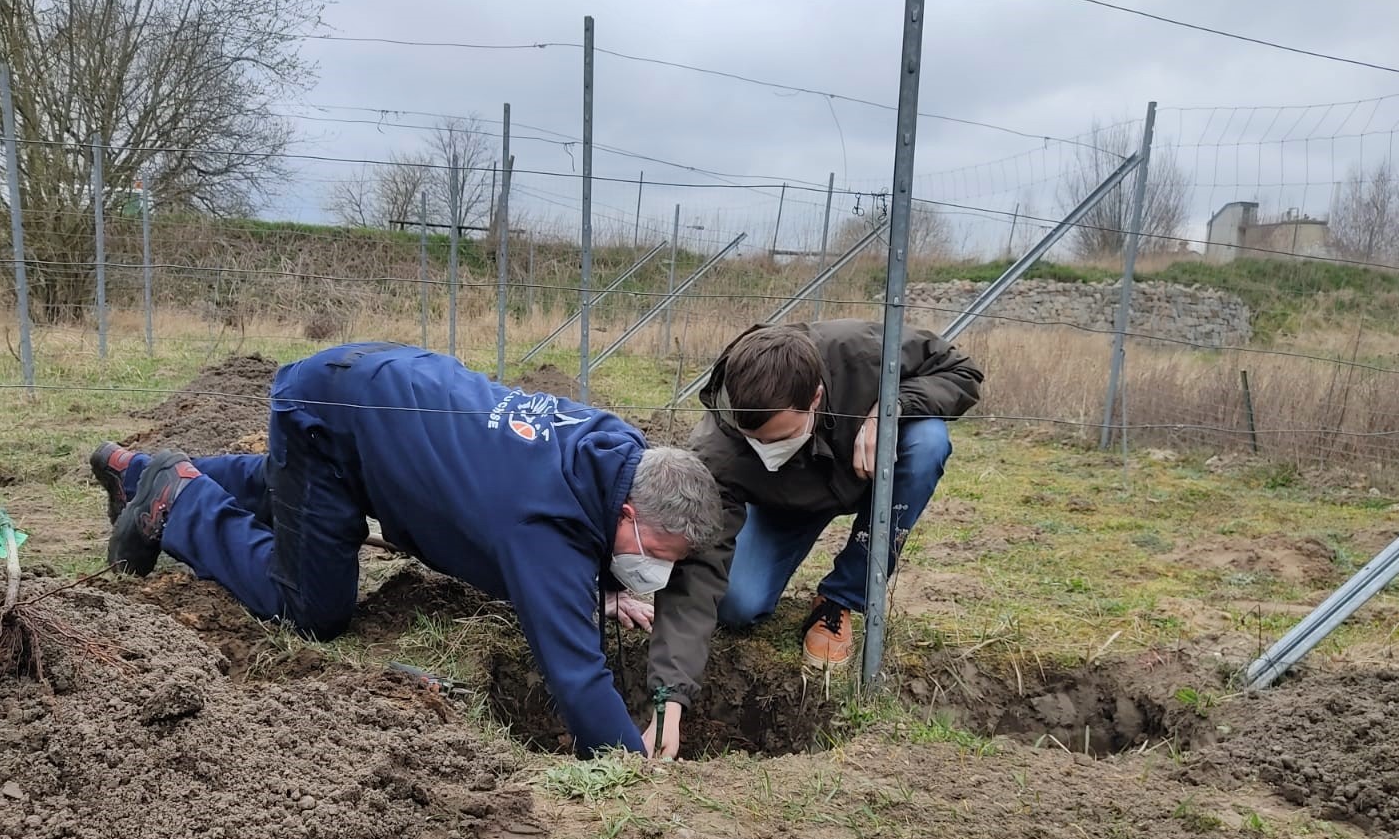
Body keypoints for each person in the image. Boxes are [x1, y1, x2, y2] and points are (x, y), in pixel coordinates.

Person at [90, 342, 721, 756]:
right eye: (657, 551)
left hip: (389, 389)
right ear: (630, 513)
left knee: (295, 491)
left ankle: (136, 471)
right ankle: (180, 502)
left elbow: (584, 532)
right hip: (327, 411)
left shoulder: (616, 448)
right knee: (312, 606)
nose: (657, 569)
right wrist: (626, 763)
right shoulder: (541, 526)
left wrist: (599, 585)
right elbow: (577, 676)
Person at [646, 321, 982, 758]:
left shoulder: (860, 353)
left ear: (816, 398)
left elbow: (961, 372)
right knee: (736, 604)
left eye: (780, 437)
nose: (766, 448)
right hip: (781, 500)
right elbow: (695, 577)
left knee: (928, 441)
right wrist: (670, 699)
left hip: (866, 470)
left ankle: (840, 599)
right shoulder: (717, 452)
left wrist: (892, 408)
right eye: (754, 440)